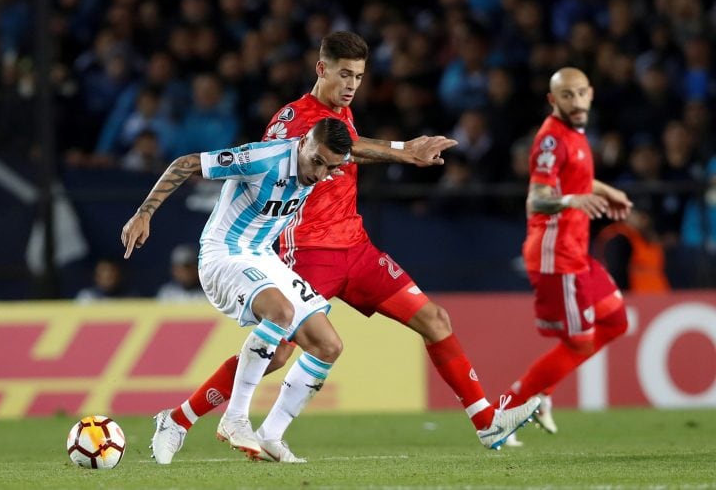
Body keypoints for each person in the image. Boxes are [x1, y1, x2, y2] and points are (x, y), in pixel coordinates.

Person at [150, 31, 540, 464]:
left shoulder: (342, 113)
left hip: (356, 247)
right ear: (321, 69)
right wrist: (402, 150)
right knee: (278, 352)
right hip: (308, 249)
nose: (352, 84)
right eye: (343, 74)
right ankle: (181, 420)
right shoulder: (298, 121)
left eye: (358, 76)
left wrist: (396, 151)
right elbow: (344, 148)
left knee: (435, 319)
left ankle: (486, 423)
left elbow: (349, 151)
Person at [122, 118, 354, 463]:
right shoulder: (262, 159)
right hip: (222, 254)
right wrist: (143, 214)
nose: (320, 174)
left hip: (263, 256)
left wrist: (404, 150)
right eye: (317, 161)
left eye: (330, 167)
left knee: (325, 346)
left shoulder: (325, 162)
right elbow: (184, 163)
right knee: (281, 312)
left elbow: (364, 150)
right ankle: (235, 418)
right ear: (303, 141)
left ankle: (191, 423)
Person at [500, 67, 633, 444]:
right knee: (579, 342)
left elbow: (575, 178)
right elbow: (537, 197)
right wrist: (575, 199)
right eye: (567, 96)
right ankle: (509, 408)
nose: (575, 102)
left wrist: (606, 191)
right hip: (556, 254)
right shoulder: (550, 140)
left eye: (580, 94)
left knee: (616, 321)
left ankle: (541, 391)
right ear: (552, 100)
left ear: (590, 93)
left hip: (577, 250)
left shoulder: (575, 134)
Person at [594, 200, 670, 293]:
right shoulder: (619, 237)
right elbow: (615, 269)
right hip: (634, 293)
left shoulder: (650, 238)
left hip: (658, 290)